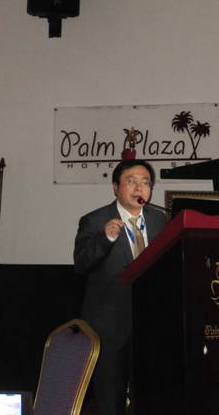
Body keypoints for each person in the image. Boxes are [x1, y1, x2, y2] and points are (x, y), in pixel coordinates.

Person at [74, 159, 167, 415]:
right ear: (115, 187)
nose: (139, 188)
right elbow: (81, 264)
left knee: (149, 394)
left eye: (145, 182)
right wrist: (105, 238)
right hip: (110, 324)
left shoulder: (160, 220)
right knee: (110, 396)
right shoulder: (95, 220)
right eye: (131, 181)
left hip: (149, 324)